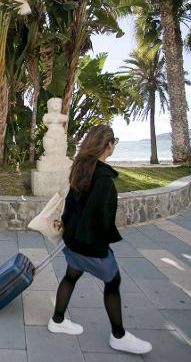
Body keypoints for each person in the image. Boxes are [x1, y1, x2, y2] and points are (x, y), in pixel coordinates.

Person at [47, 124, 152, 355]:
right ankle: (119, 336)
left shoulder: (81, 169)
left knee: (71, 276)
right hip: (88, 244)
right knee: (113, 282)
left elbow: (72, 207)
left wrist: (73, 236)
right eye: (114, 142)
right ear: (108, 146)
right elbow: (98, 219)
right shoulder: (103, 180)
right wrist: (101, 249)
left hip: (73, 239)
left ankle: (57, 320)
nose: (114, 146)